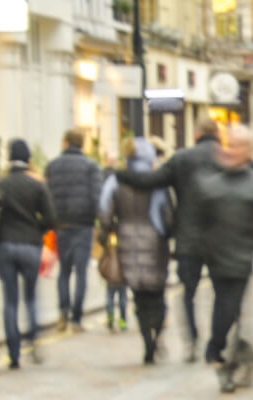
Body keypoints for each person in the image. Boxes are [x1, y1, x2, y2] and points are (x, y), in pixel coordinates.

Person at [114, 119, 225, 361]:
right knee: (221, 293)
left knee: (188, 294)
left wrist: (119, 174)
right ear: (217, 134)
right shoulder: (226, 157)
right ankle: (217, 344)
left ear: (196, 133)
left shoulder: (181, 159)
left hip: (189, 238)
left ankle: (192, 342)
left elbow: (150, 181)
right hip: (221, 238)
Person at [191, 125, 253, 393]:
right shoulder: (208, 184)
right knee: (228, 308)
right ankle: (221, 353)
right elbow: (197, 222)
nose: (231, 150)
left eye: (239, 145)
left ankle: (221, 354)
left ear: (249, 151)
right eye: (230, 144)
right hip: (216, 258)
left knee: (230, 308)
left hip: (241, 258)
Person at [99, 137, 175, 364]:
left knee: (139, 297)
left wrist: (112, 229)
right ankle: (157, 335)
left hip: (127, 242)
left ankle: (147, 343)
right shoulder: (158, 182)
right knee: (158, 294)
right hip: (155, 244)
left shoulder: (116, 181)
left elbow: (104, 211)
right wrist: (168, 233)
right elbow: (169, 215)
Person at [0, 139, 56, 369]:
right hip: (30, 246)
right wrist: (37, 230)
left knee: (10, 300)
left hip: (5, 246)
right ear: (28, 159)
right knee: (31, 296)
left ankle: (13, 352)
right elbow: (51, 219)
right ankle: (33, 340)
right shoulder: (37, 185)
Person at [42, 128, 102, 332]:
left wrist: (51, 221)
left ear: (65, 142)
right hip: (83, 225)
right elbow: (97, 197)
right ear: (82, 144)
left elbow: (47, 197)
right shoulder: (91, 166)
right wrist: (97, 220)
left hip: (61, 225)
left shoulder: (52, 166)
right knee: (82, 272)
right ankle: (76, 318)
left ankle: (63, 312)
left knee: (64, 272)